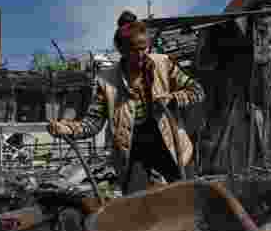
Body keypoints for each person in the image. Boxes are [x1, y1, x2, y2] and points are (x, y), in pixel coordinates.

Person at [48, 11, 205, 194]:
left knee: (189, 196)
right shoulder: (106, 81)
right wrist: (66, 129)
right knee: (135, 205)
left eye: (144, 48)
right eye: (135, 50)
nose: (142, 55)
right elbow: (93, 123)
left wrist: (173, 98)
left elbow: (197, 91)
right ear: (122, 51)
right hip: (132, 149)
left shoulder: (163, 64)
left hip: (169, 141)